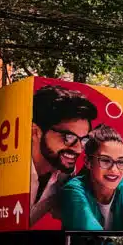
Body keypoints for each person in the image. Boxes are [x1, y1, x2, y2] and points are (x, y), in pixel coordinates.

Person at [30, 84, 99, 226]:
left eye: (84, 140)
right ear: (35, 132)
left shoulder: (66, 176)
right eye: (68, 137)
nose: (79, 149)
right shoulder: (13, 170)